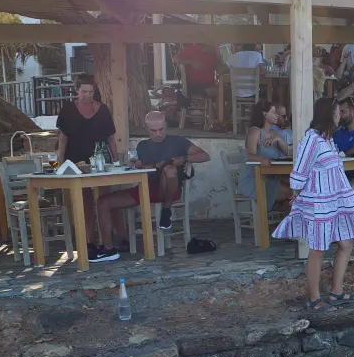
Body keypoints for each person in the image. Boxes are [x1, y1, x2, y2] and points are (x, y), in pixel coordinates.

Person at [272, 97, 354, 309]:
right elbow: (300, 170)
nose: (339, 116)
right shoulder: (312, 139)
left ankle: (336, 292)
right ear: (329, 115)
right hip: (320, 202)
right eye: (337, 112)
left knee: (347, 243)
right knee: (318, 249)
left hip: (336, 200)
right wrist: (296, 191)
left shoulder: (328, 139)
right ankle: (314, 299)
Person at [92, 111, 210, 261]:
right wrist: (139, 165)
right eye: (153, 131)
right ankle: (108, 249)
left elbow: (205, 156)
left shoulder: (178, 141)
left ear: (166, 125)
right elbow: (139, 167)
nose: (158, 134)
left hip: (169, 190)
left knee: (170, 170)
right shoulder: (142, 145)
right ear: (147, 129)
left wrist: (183, 158)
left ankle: (166, 210)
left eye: (161, 129)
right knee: (103, 202)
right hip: (145, 189)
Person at [236, 98, 293, 214]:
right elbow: (250, 155)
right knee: (291, 192)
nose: (277, 115)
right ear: (265, 114)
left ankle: (288, 221)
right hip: (254, 179)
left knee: (298, 185)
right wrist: (262, 158)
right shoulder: (254, 132)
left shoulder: (274, 132)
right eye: (274, 112)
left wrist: (278, 139)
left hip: (270, 177)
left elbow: (287, 152)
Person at [56, 78, 117, 165]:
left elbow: (110, 137)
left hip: (99, 160)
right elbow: (63, 138)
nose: (88, 95)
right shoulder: (68, 110)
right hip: (74, 161)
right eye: (84, 92)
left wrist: (116, 160)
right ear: (77, 90)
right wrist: (61, 160)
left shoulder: (103, 110)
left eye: (90, 92)